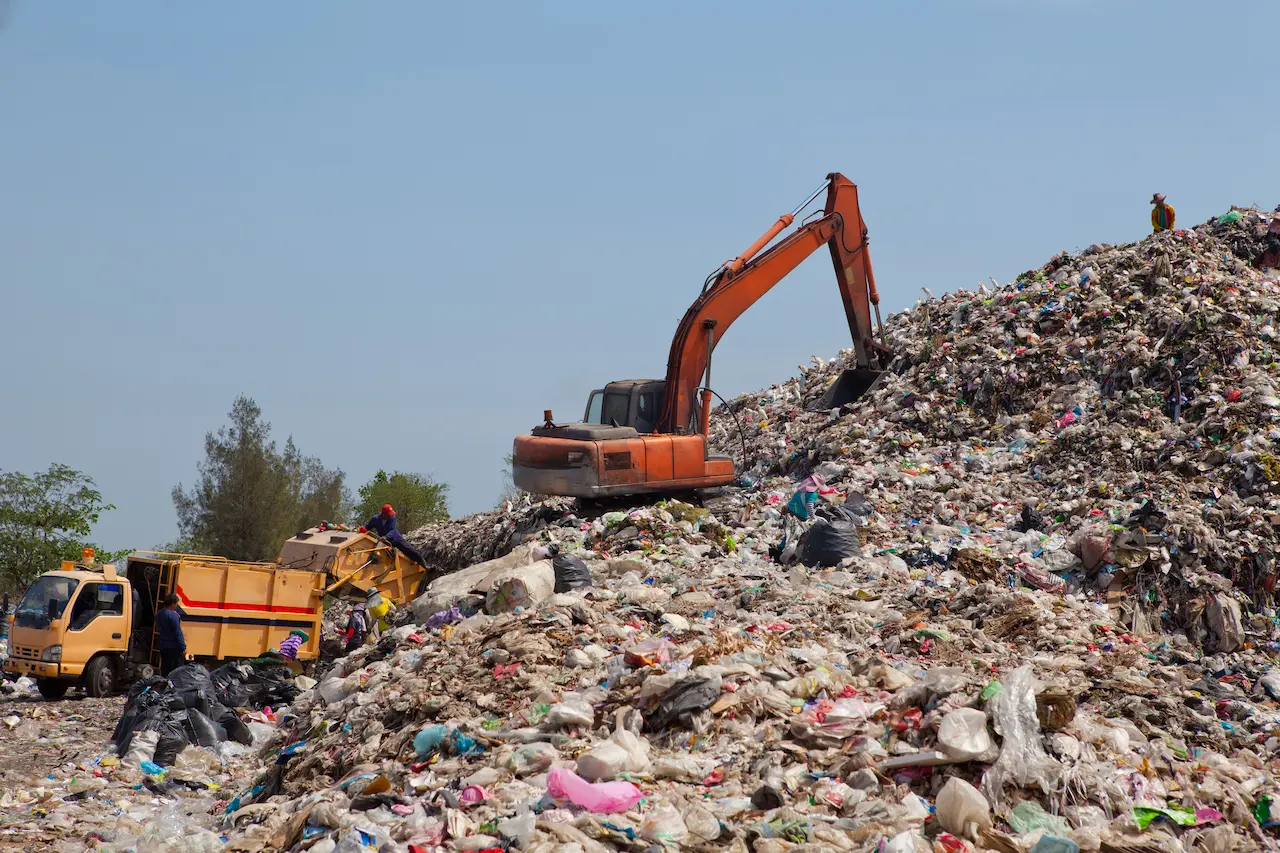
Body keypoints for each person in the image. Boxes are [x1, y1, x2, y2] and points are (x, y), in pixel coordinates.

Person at [360, 504, 428, 567]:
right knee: (377, 555)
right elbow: (368, 527)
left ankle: (425, 565)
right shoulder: (375, 519)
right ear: (383, 514)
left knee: (410, 550)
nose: (390, 515)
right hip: (384, 542)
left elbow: (392, 530)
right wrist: (363, 529)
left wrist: (385, 537)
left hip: (396, 538)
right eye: (388, 514)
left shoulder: (392, 517)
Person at [156, 594, 186, 675]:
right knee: (176, 671)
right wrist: (183, 646)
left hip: (163, 646)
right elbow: (178, 632)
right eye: (176, 603)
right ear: (172, 604)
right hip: (174, 647)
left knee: (165, 669)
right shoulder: (173, 615)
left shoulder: (159, 613)